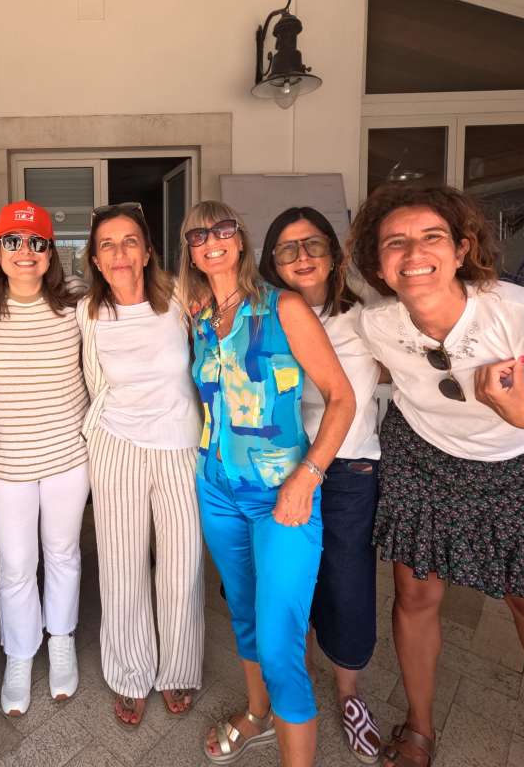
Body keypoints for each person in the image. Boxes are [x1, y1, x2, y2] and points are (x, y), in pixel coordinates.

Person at [348, 184, 524, 767]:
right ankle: (420, 729)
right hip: (420, 455)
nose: (414, 253)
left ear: (462, 249)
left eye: (431, 237)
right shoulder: (377, 322)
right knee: (416, 593)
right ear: (378, 263)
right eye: (395, 242)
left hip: (507, 465)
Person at [180, 201, 355, 767]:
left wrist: (309, 475)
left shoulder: (284, 307)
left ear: (241, 239)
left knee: (281, 645)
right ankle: (258, 714)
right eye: (198, 235)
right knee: (245, 614)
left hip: (282, 494)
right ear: (190, 251)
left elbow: (342, 398)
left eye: (223, 228)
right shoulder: (201, 318)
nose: (211, 240)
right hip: (216, 489)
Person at [260, 206, 382, 764]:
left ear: (334, 254)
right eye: (288, 249)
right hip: (279, 469)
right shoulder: (264, 318)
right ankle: (294, 682)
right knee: (288, 583)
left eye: (313, 244)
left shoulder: (367, 319)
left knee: (346, 582)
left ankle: (349, 692)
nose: (302, 257)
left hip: (347, 469)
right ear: (273, 262)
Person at [76, 202, 204, 727]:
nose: (120, 253)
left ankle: (179, 666)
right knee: (122, 565)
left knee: (182, 564)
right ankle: (130, 672)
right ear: (95, 259)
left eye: (130, 241)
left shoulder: (180, 300)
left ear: (148, 251)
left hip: (180, 445)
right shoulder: (88, 312)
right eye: (107, 245)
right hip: (117, 446)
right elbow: (91, 380)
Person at [0, 200, 89, 717]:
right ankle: (20, 652)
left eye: (37, 242)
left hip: (67, 455)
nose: (26, 251)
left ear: (51, 252)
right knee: (16, 563)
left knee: (62, 553)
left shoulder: (76, 302)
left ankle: (60, 638)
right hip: (4, 460)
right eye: (13, 241)